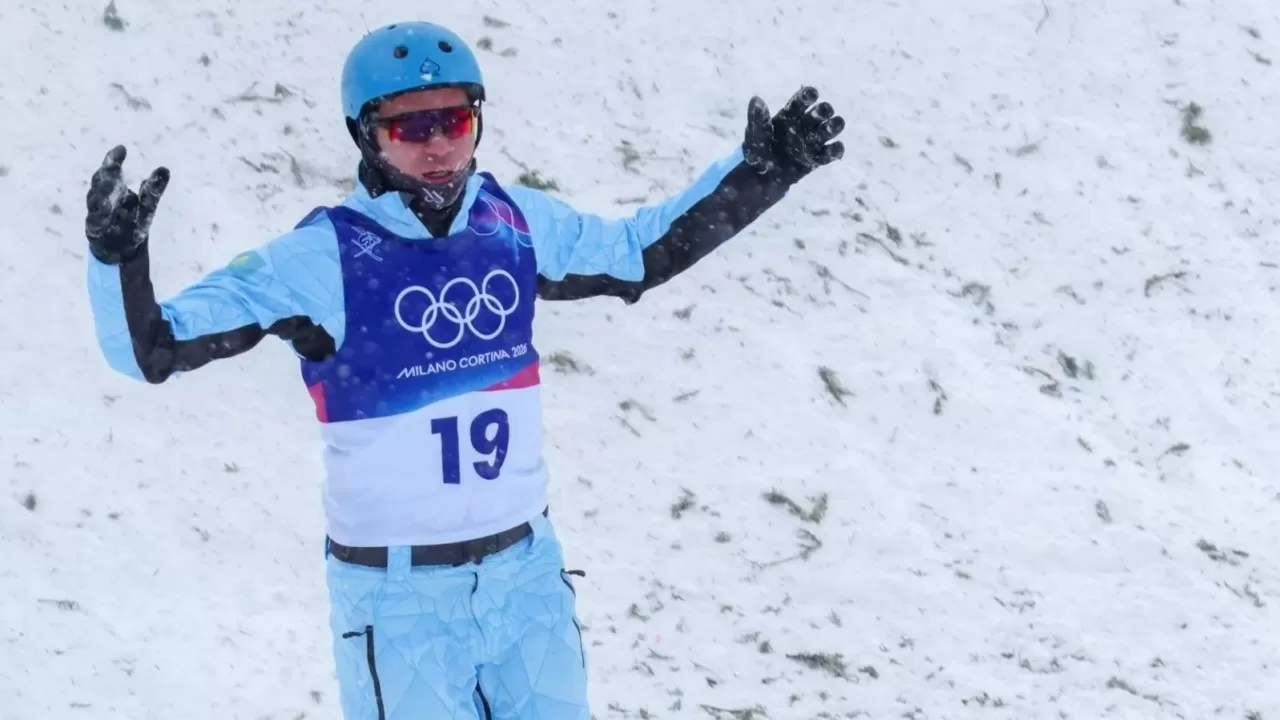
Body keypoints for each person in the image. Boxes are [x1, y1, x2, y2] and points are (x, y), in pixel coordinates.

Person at [83, 20, 845, 720]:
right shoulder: (321, 257)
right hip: (401, 603)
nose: (438, 146)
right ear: (365, 136)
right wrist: (120, 260)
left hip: (526, 583)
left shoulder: (512, 223)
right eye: (410, 128)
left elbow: (639, 254)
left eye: (454, 121)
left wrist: (765, 173)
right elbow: (152, 349)